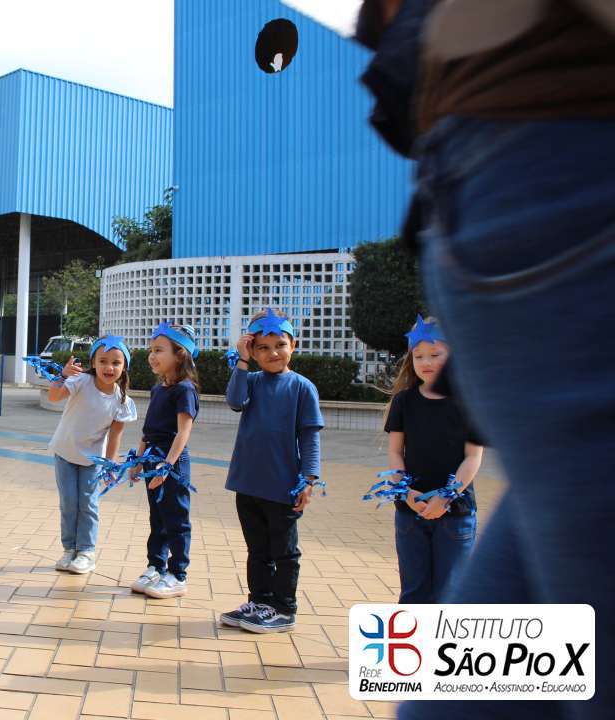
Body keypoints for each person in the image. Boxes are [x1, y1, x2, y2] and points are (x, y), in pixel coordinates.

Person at [356, 2, 615, 717]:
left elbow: (472, 454)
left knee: (509, 666)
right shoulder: (406, 399)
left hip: (507, 166)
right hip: (562, 150)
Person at [219, 309, 323, 634]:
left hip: (283, 487)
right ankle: (260, 601)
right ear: (252, 351)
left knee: (284, 551)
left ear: (294, 345)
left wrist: (308, 479)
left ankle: (284, 608)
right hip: (248, 484)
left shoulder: (302, 388)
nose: (273, 353)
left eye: (280, 345)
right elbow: (235, 401)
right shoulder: (249, 381)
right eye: (262, 348)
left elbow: (309, 437)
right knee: (258, 550)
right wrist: (241, 361)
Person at [385, 316, 483, 603]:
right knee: (413, 592)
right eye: (418, 356)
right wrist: (406, 492)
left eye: (435, 354)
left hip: (455, 514)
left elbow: (473, 457)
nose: (426, 362)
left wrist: (446, 497)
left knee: (449, 595)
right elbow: (395, 452)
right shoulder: (404, 401)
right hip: (410, 512)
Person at [47, 336, 138, 575]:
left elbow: (115, 435)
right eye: (103, 361)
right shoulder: (81, 381)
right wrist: (62, 376)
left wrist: (110, 463)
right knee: (69, 503)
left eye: (116, 362)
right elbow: (53, 397)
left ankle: (86, 552)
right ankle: (69, 549)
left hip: (92, 461)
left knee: (88, 504)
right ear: (93, 363)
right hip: (64, 453)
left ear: (124, 367)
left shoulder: (122, 400)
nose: (109, 367)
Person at [129, 322, 200, 599]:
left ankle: (178, 574)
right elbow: (148, 430)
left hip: (172, 462)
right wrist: (138, 459)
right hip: (152, 459)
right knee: (157, 517)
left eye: (159, 350)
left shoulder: (185, 389)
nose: (152, 356)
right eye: (151, 350)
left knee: (176, 519)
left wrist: (168, 466)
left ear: (179, 355)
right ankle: (155, 567)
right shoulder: (158, 389)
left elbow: (183, 432)